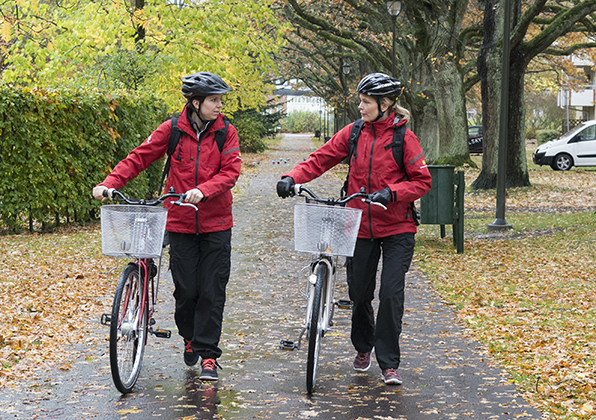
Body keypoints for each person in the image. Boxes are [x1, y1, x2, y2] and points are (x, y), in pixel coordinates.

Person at [276, 73, 431, 385]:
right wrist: (293, 177)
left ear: (385, 105)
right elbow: (320, 159)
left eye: (366, 102)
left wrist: (393, 193)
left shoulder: (404, 138)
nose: (360, 107)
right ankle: (363, 347)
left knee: (390, 293)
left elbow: (422, 181)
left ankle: (388, 363)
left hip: (398, 227)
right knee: (360, 294)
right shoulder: (354, 133)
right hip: (358, 225)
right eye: (360, 101)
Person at [93, 71, 242, 381]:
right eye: (213, 101)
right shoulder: (172, 129)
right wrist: (109, 184)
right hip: (180, 223)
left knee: (212, 291)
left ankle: (209, 357)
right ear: (196, 102)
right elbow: (139, 157)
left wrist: (204, 190)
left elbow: (231, 172)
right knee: (186, 292)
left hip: (216, 223)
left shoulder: (226, 132)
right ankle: (190, 338)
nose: (219, 106)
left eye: (219, 100)